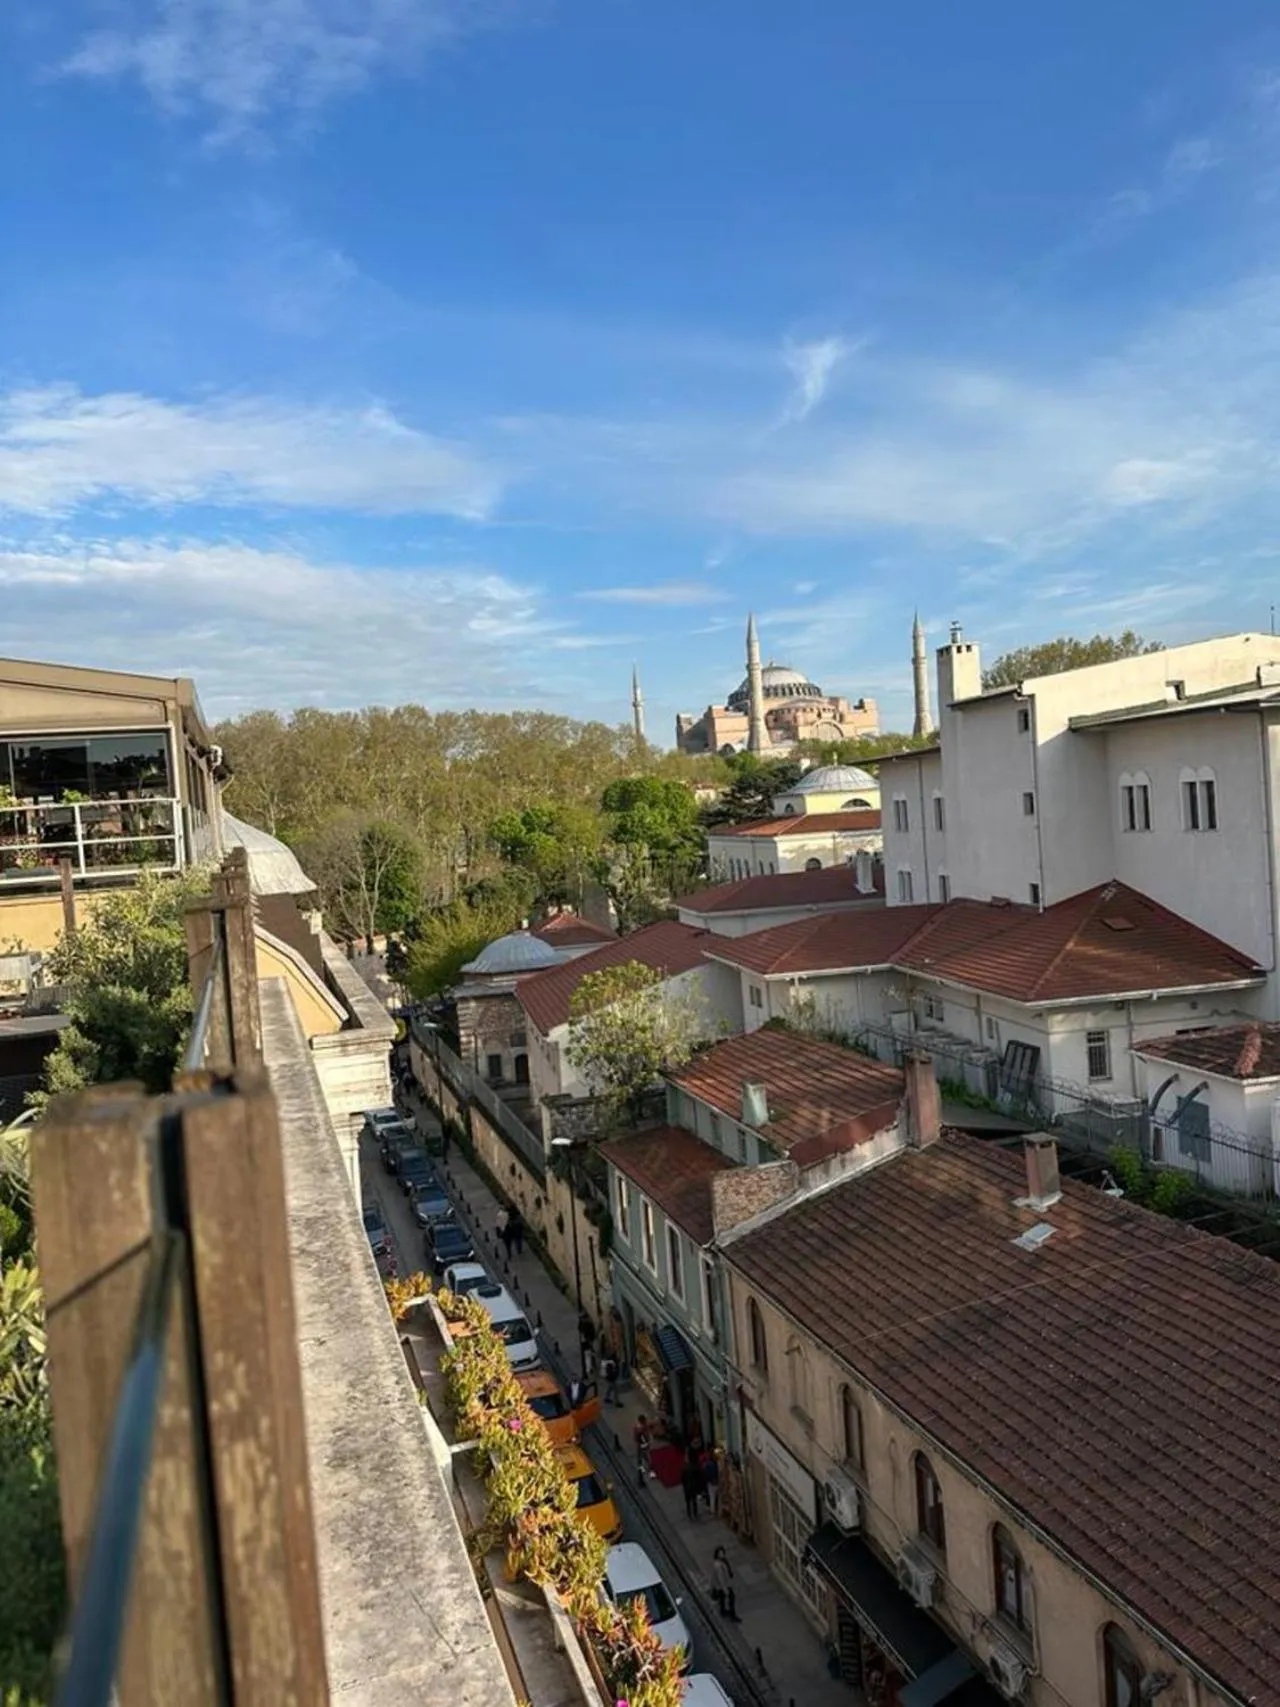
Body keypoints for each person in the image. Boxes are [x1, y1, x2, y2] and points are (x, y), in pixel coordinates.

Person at [712, 1547, 738, 1621]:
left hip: (722, 1585)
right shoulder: (718, 1565)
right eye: (720, 1553)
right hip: (722, 1586)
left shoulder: (723, 1561)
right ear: (717, 1554)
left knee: (722, 1599)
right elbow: (720, 1579)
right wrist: (725, 1589)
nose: (722, 1555)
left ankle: (723, 1611)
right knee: (731, 1598)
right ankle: (732, 1615)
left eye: (723, 1553)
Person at [681, 1455, 703, 1522]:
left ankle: (689, 1514)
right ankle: (695, 1513)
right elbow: (698, 1478)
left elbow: (682, 1479)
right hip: (693, 1486)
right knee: (694, 1501)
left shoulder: (684, 1469)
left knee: (688, 1502)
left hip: (687, 1487)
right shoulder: (694, 1468)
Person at [633, 1414, 653, 1480]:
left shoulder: (638, 1427)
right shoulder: (642, 1428)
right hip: (643, 1444)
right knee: (644, 1455)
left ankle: (642, 1468)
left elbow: (636, 1437)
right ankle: (646, 1467)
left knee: (642, 1456)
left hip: (641, 1444)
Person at [701, 1447, 720, 1516]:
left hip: (711, 1482)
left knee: (712, 1496)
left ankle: (713, 1510)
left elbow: (706, 1474)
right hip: (716, 1481)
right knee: (716, 1496)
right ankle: (716, 1509)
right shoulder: (716, 1463)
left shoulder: (708, 1464)